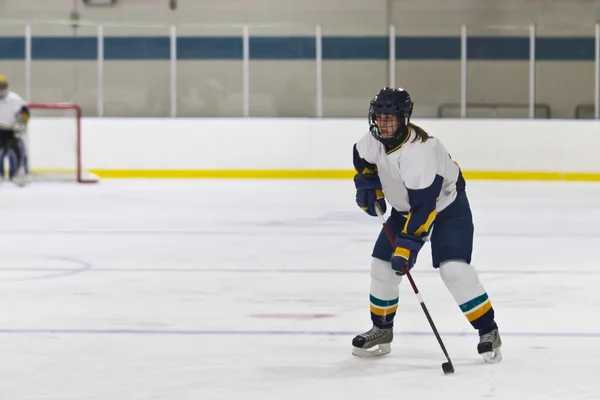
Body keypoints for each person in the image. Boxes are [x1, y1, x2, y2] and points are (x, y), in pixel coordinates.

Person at [351, 87, 502, 363]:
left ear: (404, 117)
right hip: (406, 209)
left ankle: (488, 331)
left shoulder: (421, 152)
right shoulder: (372, 142)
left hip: (446, 209)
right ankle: (382, 329)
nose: (383, 124)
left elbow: (425, 208)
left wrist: (407, 247)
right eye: (378, 117)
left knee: (454, 271)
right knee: (382, 266)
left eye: (389, 118)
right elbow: (361, 158)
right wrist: (368, 185)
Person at [0, 75, 30, 186]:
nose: (1, 89)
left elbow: (24, 112)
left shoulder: (15, 99)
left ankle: (19, 174)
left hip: (12, 132)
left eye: (3, 86)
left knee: (19, 152)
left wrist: (19, 128)